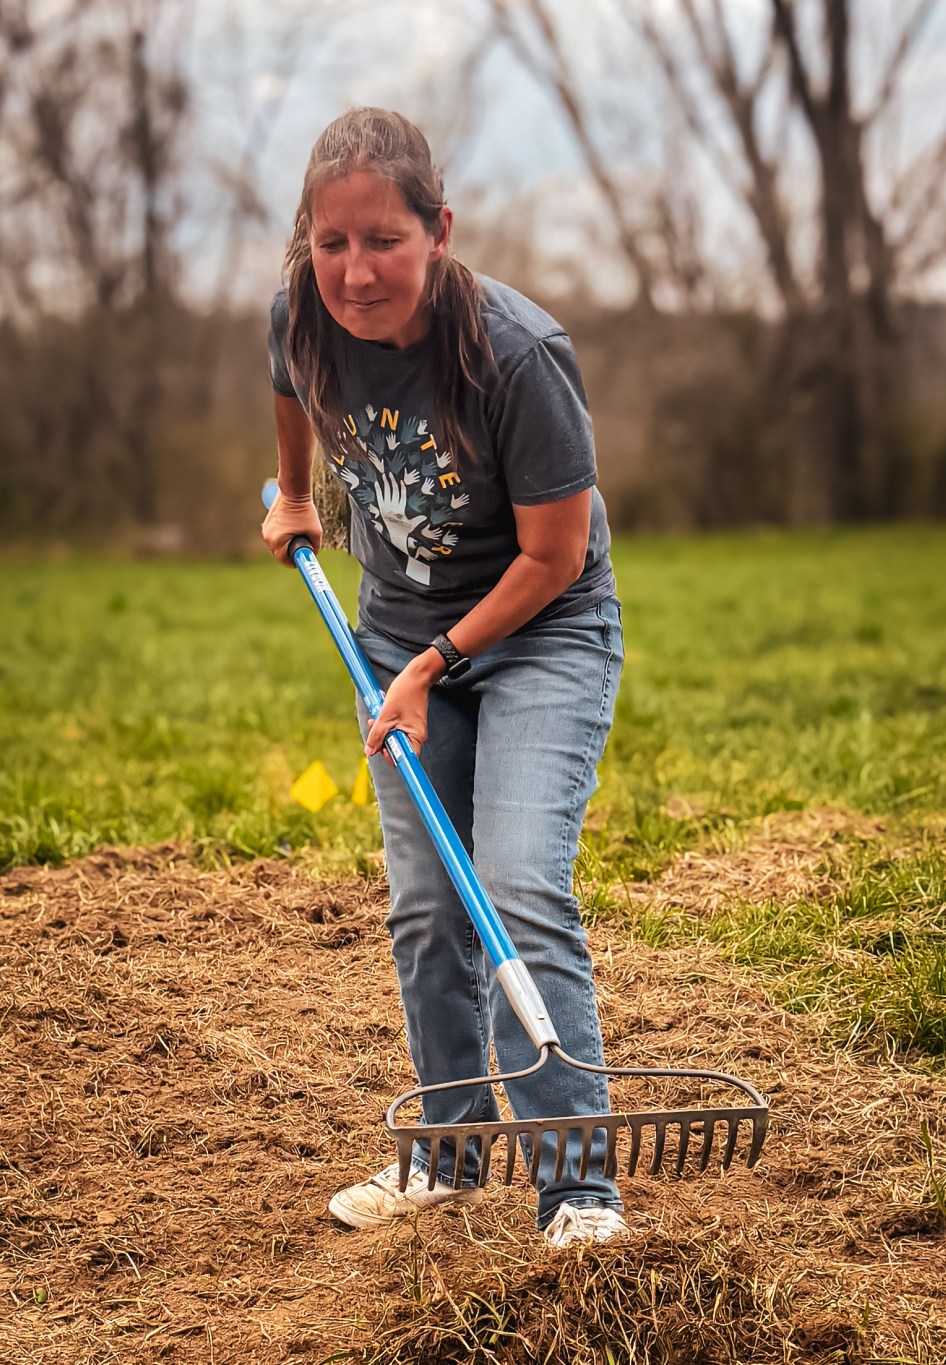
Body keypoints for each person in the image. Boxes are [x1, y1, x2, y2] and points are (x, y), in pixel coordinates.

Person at [261, 107, 626, 1249]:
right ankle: (450, 1158)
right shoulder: (300, 317)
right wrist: (294, 494)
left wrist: (430, 662)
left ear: (438, 232)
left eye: (384, 241)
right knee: (426, 910)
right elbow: (287, 384)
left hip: (538, 635)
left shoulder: (515, 354)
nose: (356, 272)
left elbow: (554, 556)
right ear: (308, 246)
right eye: (332, 244)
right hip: (401, 641)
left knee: (514, 885)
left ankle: (578, 1191)